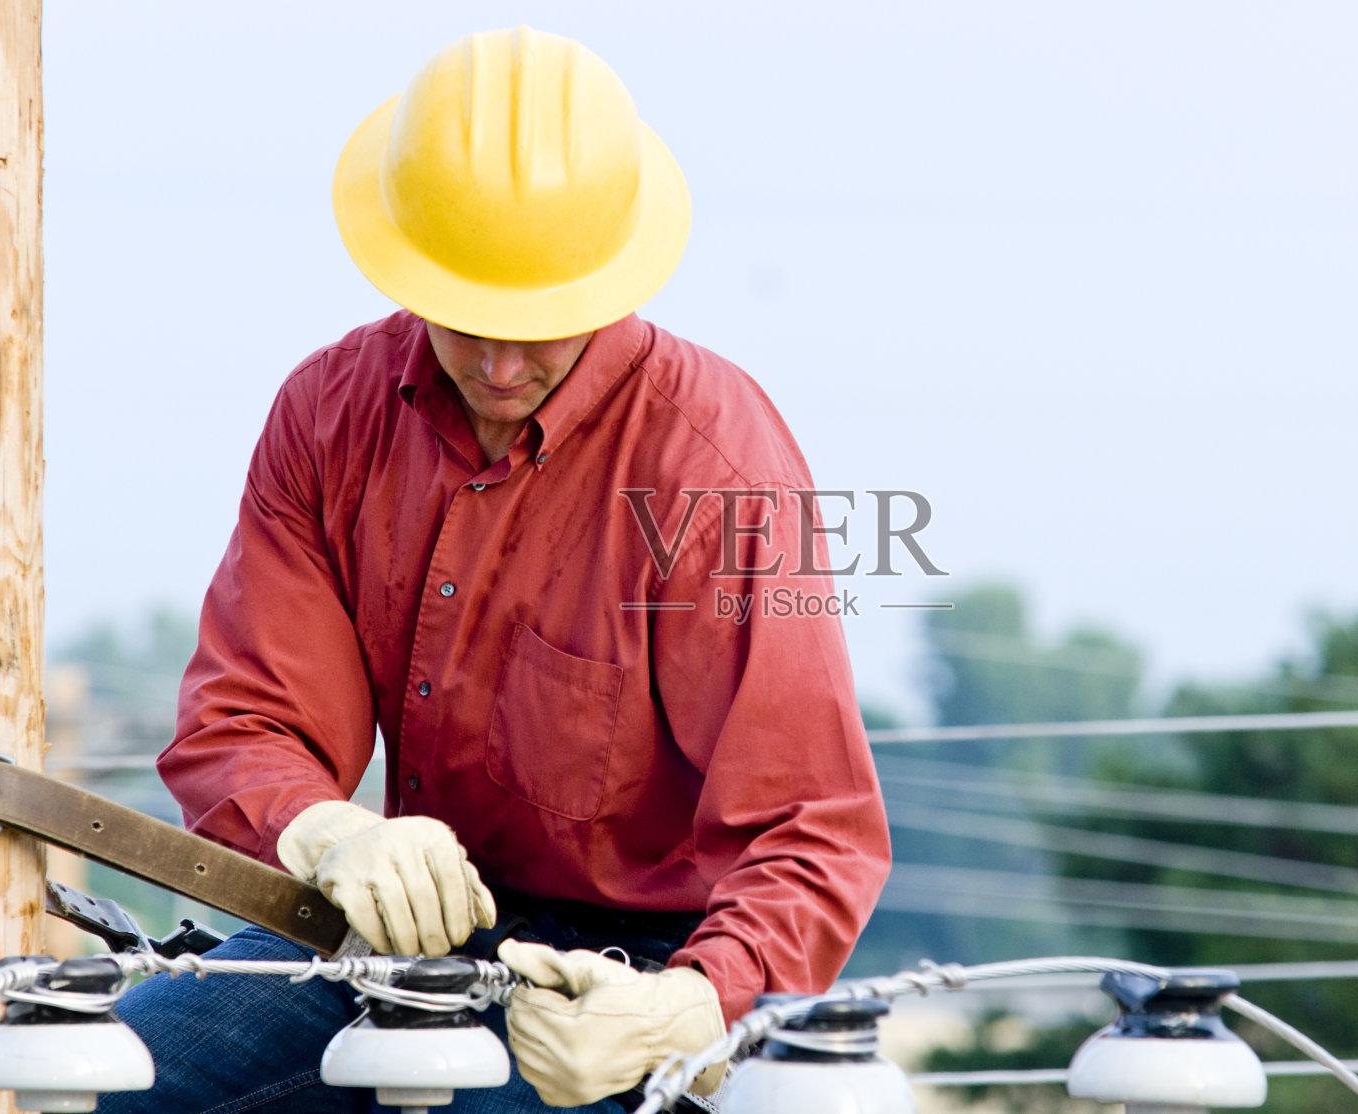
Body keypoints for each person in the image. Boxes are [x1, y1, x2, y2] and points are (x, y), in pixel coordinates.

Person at [101, 25, 890, 1114]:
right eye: (471, 319)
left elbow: (815, 827)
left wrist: (697, 1005)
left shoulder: (720, 466)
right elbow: (244, 725)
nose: (502, 363)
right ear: (407, 261)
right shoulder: (328, 416)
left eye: (543, 324)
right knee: (92, 1079)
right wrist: (331, 834)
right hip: (386, 936)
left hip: (622, 984)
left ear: (608, 277)